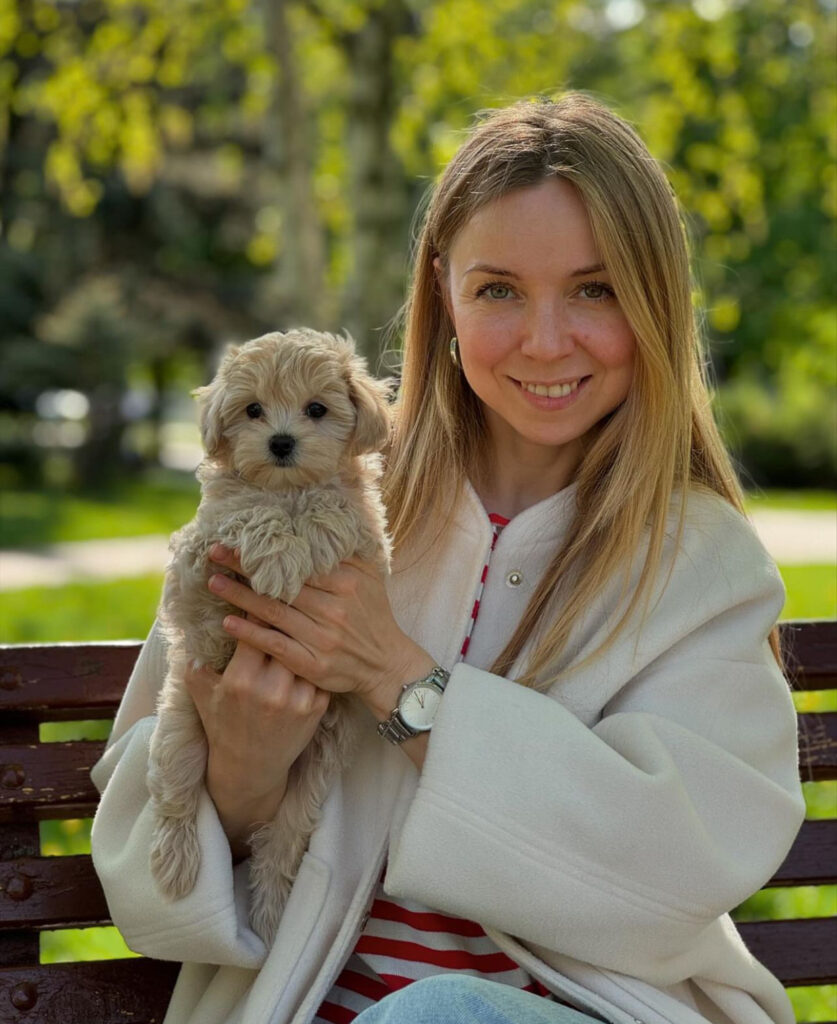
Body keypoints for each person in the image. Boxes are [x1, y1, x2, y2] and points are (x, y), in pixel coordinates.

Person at [90, 92, 805, 1024]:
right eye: (498, 289)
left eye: (594, 289)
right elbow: (140, 877)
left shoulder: (702, 566)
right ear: (443, 294)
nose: (545, 342)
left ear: (654, 301)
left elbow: (674, 875)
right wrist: (240, 769)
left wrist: (401, 682)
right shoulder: (308, 498)